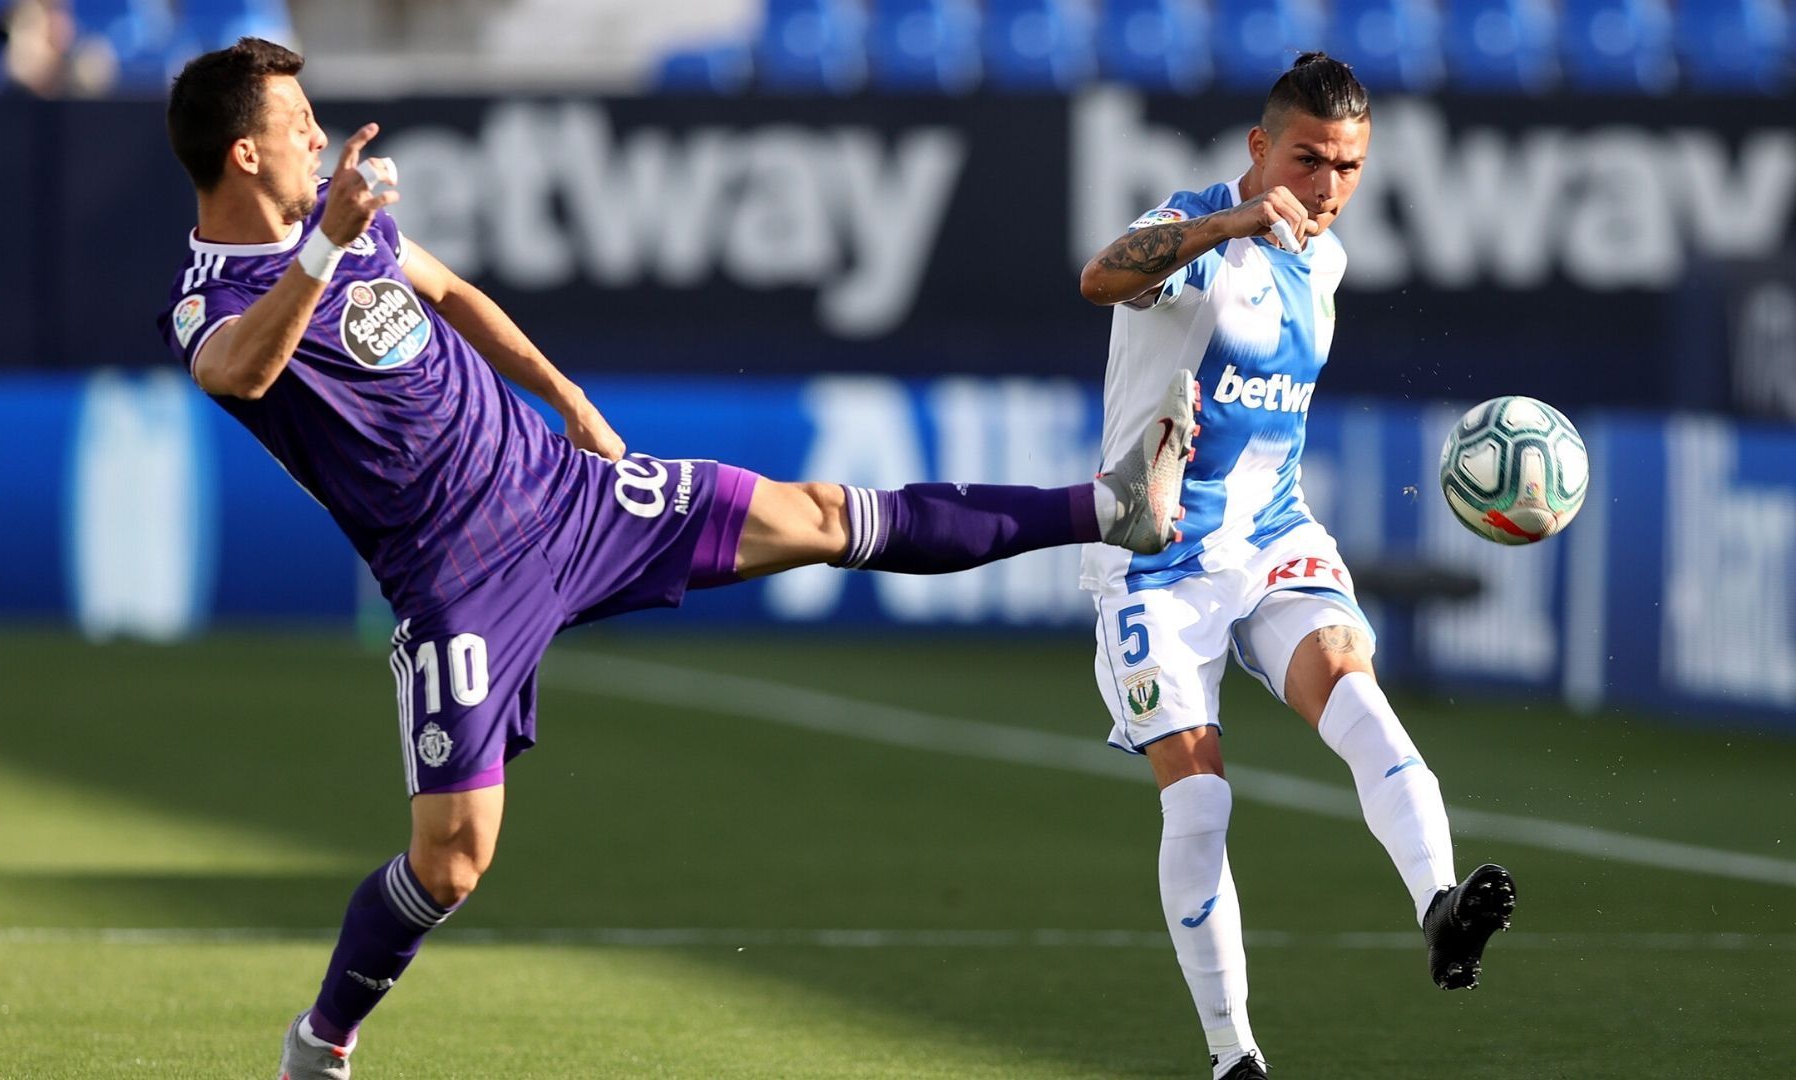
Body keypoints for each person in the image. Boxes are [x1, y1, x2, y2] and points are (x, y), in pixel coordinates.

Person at [155, 38, 1192, 1080]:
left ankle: (1110, 509)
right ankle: (322, 1039)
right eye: (299, 125)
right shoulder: (211, 298)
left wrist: (568, 401)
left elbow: (455, 294)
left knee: (824, 515)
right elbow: (241, 373)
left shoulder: (349, 228)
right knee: (453, 860)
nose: (320, 138)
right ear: (246, 155)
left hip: (570, 498)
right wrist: (327, 248)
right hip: (454, 580)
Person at [1076, 53, 1516, 1080]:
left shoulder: (1327, 263)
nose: (1327, 185)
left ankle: (1440, 906)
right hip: (1154, 562)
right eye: (1309, 158)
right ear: (1259, 148)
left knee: (1354, 689)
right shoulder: (1194, 232)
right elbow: (1102, 275)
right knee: (1199, 801)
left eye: (1349, 166)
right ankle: (1234, 1056)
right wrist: (1230, 224)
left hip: (1272, 535)